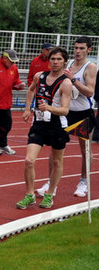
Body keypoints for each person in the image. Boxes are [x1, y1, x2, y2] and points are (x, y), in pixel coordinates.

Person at [36, 36, 97, 198]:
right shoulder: (67, 63)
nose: (78, 51)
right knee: (56, 148)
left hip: (83, 114)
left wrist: (74, 81)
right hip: (65, 112)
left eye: (82, 48)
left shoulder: (90, 67)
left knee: (85, 150)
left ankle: (84, 181)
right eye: (76, 48)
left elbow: (90, 92)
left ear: (89, 50)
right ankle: (51, 183)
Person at [17, 47, 73, 210]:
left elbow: (65, 110)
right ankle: (30, 195)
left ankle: (49, 194)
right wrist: (28, 108)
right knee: (29, 160)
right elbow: (31, 89)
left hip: (57, 125)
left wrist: (49, 108)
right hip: (39, 124)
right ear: (48, 61)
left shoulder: (66, 83)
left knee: (56, 161)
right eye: (52, 59)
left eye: (58, 59)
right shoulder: (39, 76)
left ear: (64, 62)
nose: (55, 62)